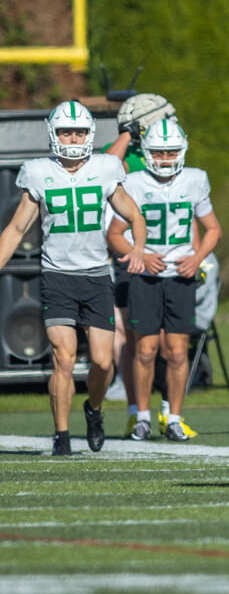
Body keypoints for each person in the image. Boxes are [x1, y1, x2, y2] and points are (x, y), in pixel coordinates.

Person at [0, 100, 147, 454]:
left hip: (96, 276)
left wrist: (137, 248)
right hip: (57, 275)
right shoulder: (37, 172)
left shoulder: (106, 167)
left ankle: (93, 409)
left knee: (101, 361)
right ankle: (61, 436)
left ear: (90, 133)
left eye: (79, 131)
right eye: (66, 131)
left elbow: (134, 215)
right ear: (54, 133)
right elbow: (18, 228)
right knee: (63, 358)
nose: (72, 137)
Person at [107, 118, 221, 441]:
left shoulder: (196, 180)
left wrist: (196, 259)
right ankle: (141, 417)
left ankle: (173, 416)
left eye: (171, 152)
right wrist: (139, 255)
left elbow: (213, 229)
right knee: (144, 350)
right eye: (159, 152)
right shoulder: (133, 182)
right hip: (146, 277)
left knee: (176, 351)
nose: (166, 158)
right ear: (147, 152)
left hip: (180, 276)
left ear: (181, 151)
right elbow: (115, 235)